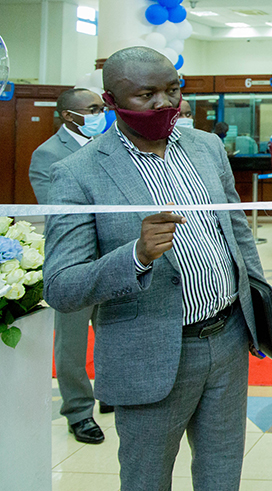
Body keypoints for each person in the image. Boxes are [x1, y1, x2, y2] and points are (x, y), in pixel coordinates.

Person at [43, 47, 269, 490]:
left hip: (226, 340)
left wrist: (257, 305)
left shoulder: (205, 147)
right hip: (147, 352)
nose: (165, 103)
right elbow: (61, 286)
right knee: (147, 478)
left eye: (173, 89)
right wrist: (137, 256)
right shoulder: (77, 173)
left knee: (222, 473)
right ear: (111, 100)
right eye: (146, 94)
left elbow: (237, 231)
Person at [29, 88, 111, 445]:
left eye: (102, 108)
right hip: (75, 264)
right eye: (93, 109)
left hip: (114, 258)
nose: (100, 114)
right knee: (72, 345)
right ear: (68, 115)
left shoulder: (112, 144)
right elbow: (59, 211)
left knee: (114, 333)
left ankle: (112, 394)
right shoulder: (47, 155)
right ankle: (78, 412)